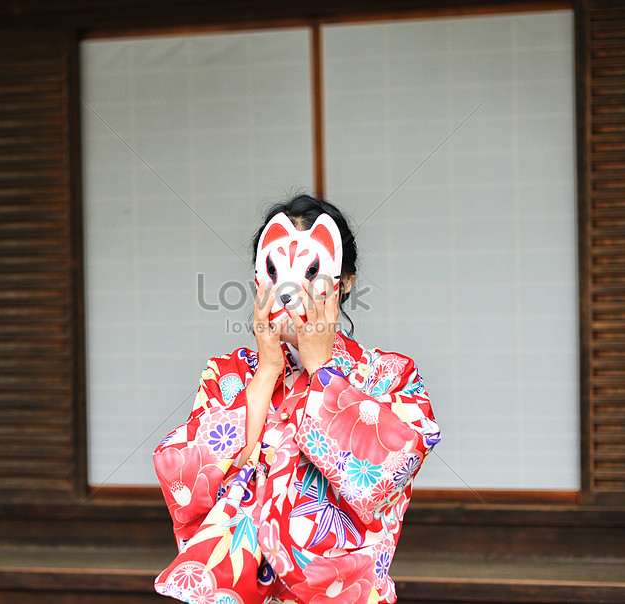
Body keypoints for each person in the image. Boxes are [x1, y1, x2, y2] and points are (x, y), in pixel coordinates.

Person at [153, 194, 440, 604]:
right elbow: (191, 480)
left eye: (312, 273)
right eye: (275, 273)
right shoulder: (228, 374)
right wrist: (267, 371)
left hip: (344, 594)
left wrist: (322, 367)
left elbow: (387, 477)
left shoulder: (393, 375)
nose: (292, 292)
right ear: (258, 281)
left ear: (345, 283)